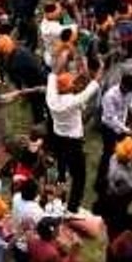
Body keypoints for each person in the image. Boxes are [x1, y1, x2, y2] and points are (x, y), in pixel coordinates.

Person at [46, 68, 101, 213]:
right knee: (79, 177)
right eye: (72, 83)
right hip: (73, 143)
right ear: (69, 87)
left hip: (58, 138)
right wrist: (101, 67)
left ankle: (60, 188)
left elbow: (52, 75)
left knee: (62, 166)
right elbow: (93, 86)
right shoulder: (74, 101)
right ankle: (72, 207)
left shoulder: (51, 96)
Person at [96, 74, 132, 197]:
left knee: (121, 153)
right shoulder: (110, 96)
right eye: (128, 89)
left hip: (121, 127)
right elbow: (111, 119)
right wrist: (127, 130)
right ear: (122, 85)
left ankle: (116, 178)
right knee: (108, 153)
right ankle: (100, 182)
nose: (129, 92)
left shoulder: (129, 92)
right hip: (109, 127)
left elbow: (130, 102)